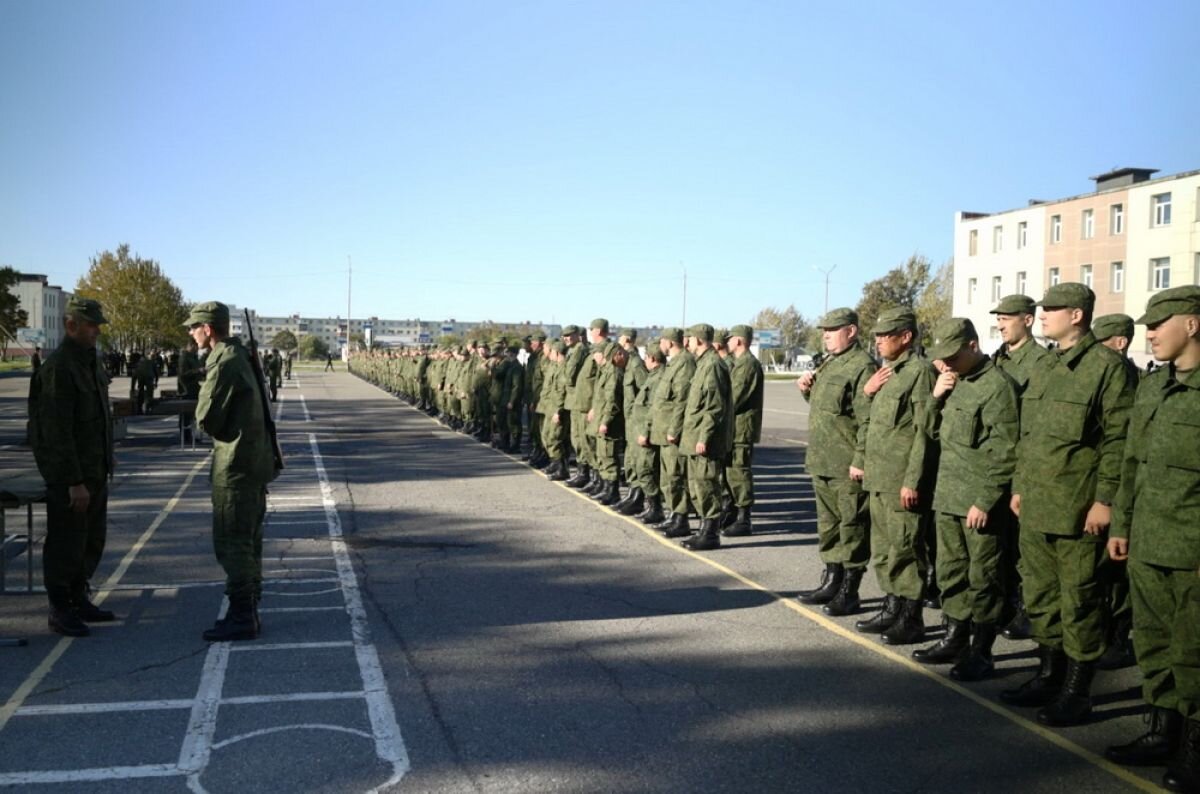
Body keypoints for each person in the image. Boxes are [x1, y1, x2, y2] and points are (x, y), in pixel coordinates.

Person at [1001, 283, 1134, 726]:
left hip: (1079, 511)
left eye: (1052, 309)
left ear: (1077, 315)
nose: (1042, 315)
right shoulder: (1047, 365)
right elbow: (1029, 435)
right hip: (1037, 505)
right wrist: (1019, 486)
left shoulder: (1107, 367)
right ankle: (1048, 675)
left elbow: (1119, 440)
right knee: (1041, 598)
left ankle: (1077, 691)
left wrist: (1105, 500)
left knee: (1080, 601)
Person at [1104, 286, 1200, 790]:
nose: (1150, 333)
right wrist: (1122, 525)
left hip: (1192, 551)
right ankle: (1163, 732)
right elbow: (1131, 463)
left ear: (1193, 324)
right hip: (1148, 542)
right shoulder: (1154, 387)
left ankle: (1195, 749)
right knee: (1157, 647)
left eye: (1160, 323)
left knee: (1194, 652)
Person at [911, 318, 1019, 681]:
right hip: (948, 496)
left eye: (953, 356)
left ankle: (982, 651)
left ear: (973, 346)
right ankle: (955, 637)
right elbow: (927, 431)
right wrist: (936, 396)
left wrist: (987, 500)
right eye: (942, 358)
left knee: (984, 577)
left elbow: (1005, 451)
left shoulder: (997, 387)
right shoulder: (953, 382)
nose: (946, 364)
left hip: (978, 502)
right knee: (951, 572)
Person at [187, 301, 279, 642]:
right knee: (249, 539)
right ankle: (249, 607)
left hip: (236, 465)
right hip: (253, 463)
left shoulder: (224, 361)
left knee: (233, 541)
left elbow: (206, 418)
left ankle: (242, 614)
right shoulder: (241, 356)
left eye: (194, 327)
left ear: (208, 329)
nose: (191, 333)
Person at [28, 297, 116, 636]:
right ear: (71, 325)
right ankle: (60, 607)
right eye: (90, 325)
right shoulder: (59, 368)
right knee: (67, 541)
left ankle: (79, 597)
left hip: (94, 470)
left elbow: (97, 420)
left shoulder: (89, 363)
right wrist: (72, 481)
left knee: (91, 539)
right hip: (72, 477)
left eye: (97, 325)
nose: (96, 330)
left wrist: (108, 456)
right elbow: (55, 432)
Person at [856, 307, 937, 645]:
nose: (877, 342)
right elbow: (872, 423)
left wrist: (913, 480)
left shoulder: (919, 373)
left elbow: (925, 431)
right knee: (885, 549)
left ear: (905, 337)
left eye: (884, 336)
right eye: (875, 336)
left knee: (906, 548)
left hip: (901, 480)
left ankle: (911, 617)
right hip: (880, 476)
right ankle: (892, 606)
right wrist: (867, 393)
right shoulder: (887, 373)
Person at [796, 308, 877, 616]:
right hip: (822, 460)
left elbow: (867, 420)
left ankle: (850, 590)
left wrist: (860, 459)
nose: (826, 335)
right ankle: (832, 579)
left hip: (846, 463)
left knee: (852, 525)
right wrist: (807, 392)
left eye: (833, 329)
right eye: (824, 330)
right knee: (828, 525)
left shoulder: (862, 367)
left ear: (852, 331)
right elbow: (830, 410)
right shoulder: (830, 364)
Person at [990, 294, 1055, 641]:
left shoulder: (1041, 363)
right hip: (994, 463)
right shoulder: (996, 360)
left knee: (1022, 549)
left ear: (1027, 320)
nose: (1000, 323)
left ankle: (1026, 609)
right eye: (998, 318)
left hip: (1021, 463)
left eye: (1007, 318)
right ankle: (1003, 604)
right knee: (998, 545)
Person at [1092, 313, 1142, 671]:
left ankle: (1120, 635)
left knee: (1118, 572)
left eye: (1102, 342)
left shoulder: (1129, 378)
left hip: (1125, 489)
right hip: (1104, 483)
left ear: (1120, 343)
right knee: (1103, 570)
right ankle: (1106, 629)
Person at [677, 324, 732, 551]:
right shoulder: (702, 365)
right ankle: (703, 529)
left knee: (707, 484)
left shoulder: (713, 366)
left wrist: (704, 436)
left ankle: (710, 533)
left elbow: (715, 406)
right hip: (694, 437)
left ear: (699, 340)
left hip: (705, 440)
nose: (686, 343)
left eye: (688, 339)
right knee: (697, 485)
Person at [651, 328, 696, 538]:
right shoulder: (674, 363)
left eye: (662, 341)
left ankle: (681, 518)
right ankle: (673, 515)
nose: (660, 345)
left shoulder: (685, 363)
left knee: (676, 476)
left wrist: (674, 429)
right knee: (668, 477)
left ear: (669, 342)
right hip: (664, 430)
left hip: (672, 431)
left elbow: (682, 400)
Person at [722, 325, 764, 537]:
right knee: (730, 471)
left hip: (741, 429)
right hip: (733, 429)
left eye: (730, 339)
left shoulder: (747, 365)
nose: (726, 343)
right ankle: (730, 512)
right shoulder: (739, 364)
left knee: (739, 472)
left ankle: (743, 518)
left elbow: (735, 398)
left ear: (739, 341)